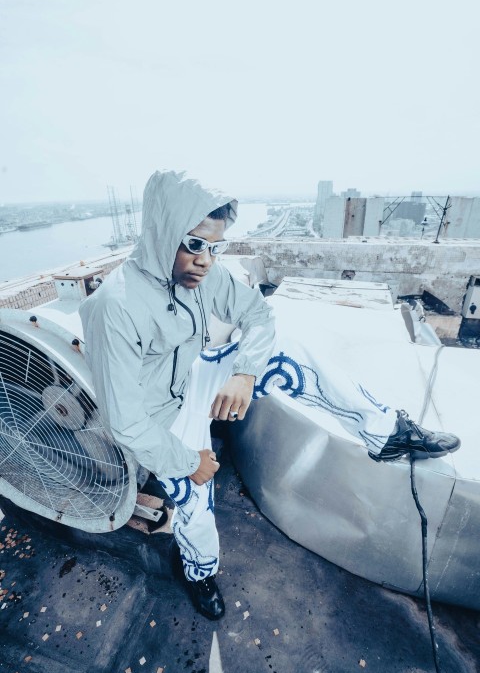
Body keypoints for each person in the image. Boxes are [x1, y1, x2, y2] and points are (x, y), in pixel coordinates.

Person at [79, 170, 460, 621]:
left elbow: (258, 314)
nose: (205, 260)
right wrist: (189, 462)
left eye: (215, 247)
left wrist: (243, 373)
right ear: (162, 232)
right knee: (195, 504)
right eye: (195, 244)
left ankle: (387, 432)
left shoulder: (200, 276)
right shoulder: (115, 308)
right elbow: (127, 422)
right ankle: (199, 572)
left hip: (193, 378)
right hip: (158, 418)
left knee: (287, 346)